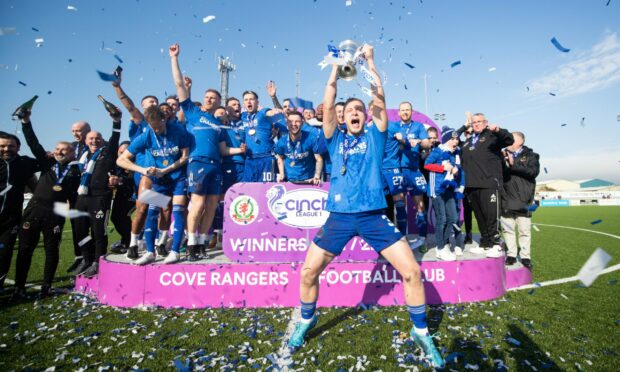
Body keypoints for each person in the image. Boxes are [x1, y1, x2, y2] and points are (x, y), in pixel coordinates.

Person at [287, 44, 444, 368]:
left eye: (360, 109)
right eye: (350, 110)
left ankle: (420, 331)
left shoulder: (375, 137)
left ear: (366, 115)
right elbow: (329, 101)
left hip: (373, 217)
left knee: (412, 272)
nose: (355, 112)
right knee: (308, 273)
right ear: (343, 118)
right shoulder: (333, 138)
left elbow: (379, 100)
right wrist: (335, 67)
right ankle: (306, 320)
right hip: (340, 219)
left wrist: (370, 61)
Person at [13, 110, 81, 298]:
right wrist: (26, 121)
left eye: (64, 150)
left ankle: (47, 285)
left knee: (52, 250)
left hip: (56, 213)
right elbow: (33, 143)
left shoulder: (76, 171)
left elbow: (75, 197)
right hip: (34, 209)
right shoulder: (46, 163)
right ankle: (19, 287)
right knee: (26, 249)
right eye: (57, 149)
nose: (59, 152)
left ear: (72, 153)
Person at [170, 43, 225, 260]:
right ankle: (191, 242)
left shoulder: (219, 124)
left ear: (219, 102)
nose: (210, 99)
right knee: (198, 203)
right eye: (207, 97)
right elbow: (178, 85)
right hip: (197, 162)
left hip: (216, 165)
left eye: (214, 98)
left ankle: (201, 242)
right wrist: (174, 59)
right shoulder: (192, 112)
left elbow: (222, 148)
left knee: (211, 204)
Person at [117, 106, 189, 264]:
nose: (156, 130)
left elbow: (185, 157)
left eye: (158, 126)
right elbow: (121, 160)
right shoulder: (146, 135)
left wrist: (167, 169)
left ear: (164, 119)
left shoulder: (177, 130)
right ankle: (150, 252)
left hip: (177, 177)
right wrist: (142, 169)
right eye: (152, 126)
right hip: (159, 180)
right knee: (152, 211)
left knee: (177, 210)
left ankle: (175, 251)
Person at [110, 68, 161, 259]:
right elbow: (129, 106)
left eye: (155, 102)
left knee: (163, 208)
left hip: (163, 175)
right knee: (143, 208)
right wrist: (117, 87)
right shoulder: (143, 124)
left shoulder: (165, 126)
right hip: (145, 175)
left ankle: (154, 243)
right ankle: (134, 242)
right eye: (149, 103)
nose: (153, 105)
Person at [72, 110, 122, 277]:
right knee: (80, 231)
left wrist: (116, 122)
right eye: (91, 139)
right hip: (82, 198)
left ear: (102, 141)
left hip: (100, 198)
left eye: (97, 138)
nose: (94, 140)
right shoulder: (82, 157)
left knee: (98, 231)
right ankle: (86, 258)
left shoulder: (107, 153)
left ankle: (97, 261)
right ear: (86, 141)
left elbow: (115, 139)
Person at [460, 113, 514, 257]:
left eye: (479, 122)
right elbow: (452, 141)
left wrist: (498, 130)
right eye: (473, 122)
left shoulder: (492, 136)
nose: (476, 124)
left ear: (485, 122)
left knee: (491, 216)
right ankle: (485, 244)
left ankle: (496, 244)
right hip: (471, 185)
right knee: (480, 216)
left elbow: (509, 139)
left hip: (489, 183)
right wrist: (463, 127)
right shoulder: (468, 141)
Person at [0, 131, 39, 291]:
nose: (6, 149)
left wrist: (51, 155)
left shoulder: (25, 163)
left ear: (18, 147)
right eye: (2, 146)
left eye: (11, 146)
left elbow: (44, 162)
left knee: (4, 254)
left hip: (10, 220)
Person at [424, 128, 464, 261]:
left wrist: (455, 170)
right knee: (442, 219)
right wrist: (442, 168)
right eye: (452, 139)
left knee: (452, 218)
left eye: (457, 139)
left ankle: (444, 244)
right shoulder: (438, 151)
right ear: (446, 140)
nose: (455, 141)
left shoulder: (455, 153)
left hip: (449, 189)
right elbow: (427, 164)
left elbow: (456, 167)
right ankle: (440, 248)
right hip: (437, 189)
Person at [501, 132, 539, 268]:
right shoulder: (501, 155)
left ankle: (525, 256)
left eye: (512, 140)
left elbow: (532, 172)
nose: (509, 142)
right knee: (507, 229)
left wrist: (513, 164)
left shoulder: (531, 156)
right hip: (505, 197)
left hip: (523, 199)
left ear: (521, 141)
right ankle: (511, 254)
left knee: (524, 230)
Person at [396, 102, 431, 250]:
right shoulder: (394, 126)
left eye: (407, 110)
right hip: (398, 170)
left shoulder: (418, 127)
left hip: (414, 170)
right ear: (399, 113)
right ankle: (402, 240)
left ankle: (422, 240)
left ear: (411, 112)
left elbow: (427, 144)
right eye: (402, 110)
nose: (405, 112)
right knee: (400, 206)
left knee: (420, 206)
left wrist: (420, 141)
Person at [240, 90, 286, 182]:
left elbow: (279, 114)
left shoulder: (263, 112)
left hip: (266, 157)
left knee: (266, 189)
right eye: (246, 100)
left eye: (251, 99)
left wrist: (273, 98)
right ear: (243, 103)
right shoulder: (243, 116)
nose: (248, 102)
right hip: (250, 159)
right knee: (249, 189)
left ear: (257, 102)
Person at [66, 120, 91, 273]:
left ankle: (91, 256)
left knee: (91, 227)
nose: (75, 133)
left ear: (88, 131)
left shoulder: (97, 145)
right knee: (77, 227)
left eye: (79, 130)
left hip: (91, 194)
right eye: (73, 131)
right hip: (73, 195)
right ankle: (79, 257)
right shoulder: (70, 147)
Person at [275, 111, 323, 184]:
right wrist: (282, 174)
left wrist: (317, 176)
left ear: (302, 123)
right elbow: (280, 158)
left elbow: (319, 159)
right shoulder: (282, 141)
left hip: (308, 181)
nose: (294, 124)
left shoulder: (311, 138)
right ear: (287, 123)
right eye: (291, 121)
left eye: (297, 121)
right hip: (289, 181)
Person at [109, 141, 135, 254]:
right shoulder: (116, 164)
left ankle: (129, 242)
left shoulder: (137, 162)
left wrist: (122, 180)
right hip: (121, 195)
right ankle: (127, 240)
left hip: (136, 194)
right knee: (115, 217)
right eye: (120, 152)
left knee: (125, 216)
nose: (123, 154)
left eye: (125, 152)